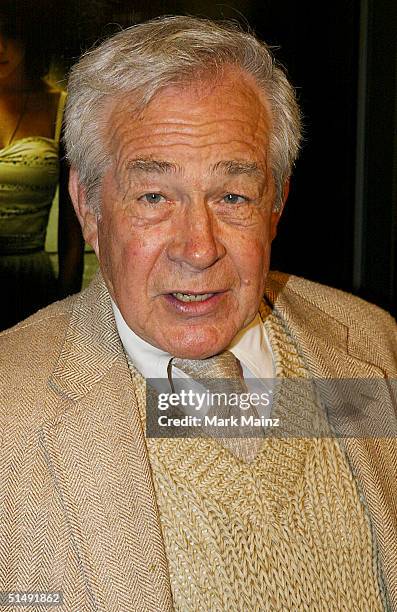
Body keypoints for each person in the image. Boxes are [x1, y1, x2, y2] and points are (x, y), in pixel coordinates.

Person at [0, 15, 396, 612]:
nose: (199, 247)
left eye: (232, 196)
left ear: (277, 202)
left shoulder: (369, 343)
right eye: (155, 197)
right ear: (87, 205)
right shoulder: (13, 403)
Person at [0, 1, 84, 330]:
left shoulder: (59, 107)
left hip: (28, 282)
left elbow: (72, 224)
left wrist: (67, 308)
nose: (0, 47)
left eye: (10, 33)